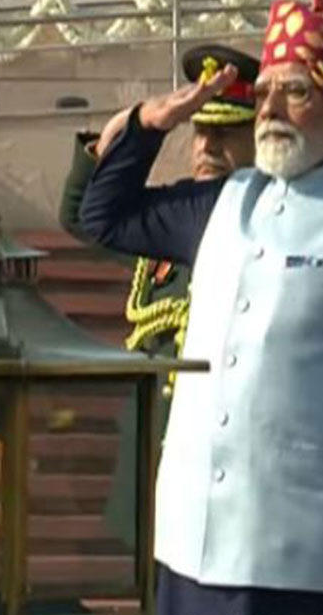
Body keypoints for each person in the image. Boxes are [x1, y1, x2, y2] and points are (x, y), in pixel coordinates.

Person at [79, 0, 323, 615]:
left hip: (309, 563)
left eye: (297, 91)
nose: (272, 108)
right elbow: (103, 217)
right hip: (189, 553)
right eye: (265, 93)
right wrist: (147, 125)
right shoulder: (225, 201)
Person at [58, 44, 259, 550]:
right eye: (200, 130)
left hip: (226, 452)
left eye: (226, 131)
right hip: (156, 446)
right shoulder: (168, 219)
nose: (208, 144)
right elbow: (83, 217)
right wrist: (123, 132)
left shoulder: (270, 220)